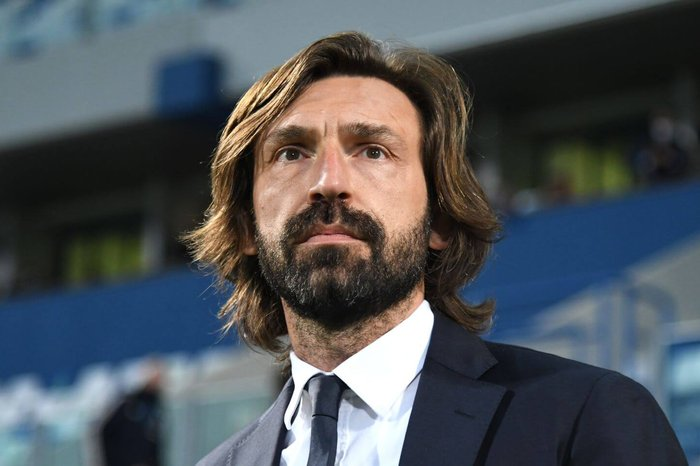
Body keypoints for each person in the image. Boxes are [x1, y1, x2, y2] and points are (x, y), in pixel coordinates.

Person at [188, 32, 687, 466]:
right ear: (247, 226)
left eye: (373, 151)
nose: (328, 182)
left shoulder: (585, 416)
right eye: (291, 153)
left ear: (440, 219)